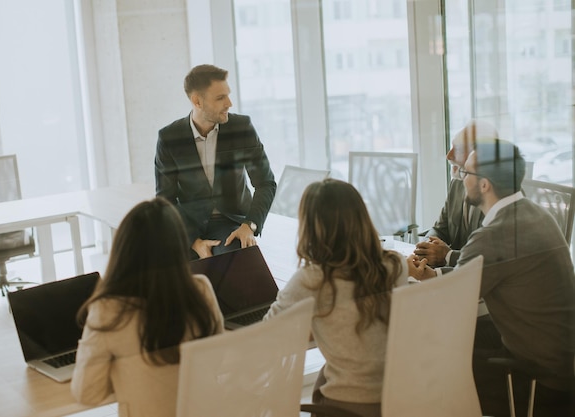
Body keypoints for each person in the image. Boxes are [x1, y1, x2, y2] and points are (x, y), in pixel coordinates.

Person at [408, 139, 575, 416]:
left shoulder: (493, 234)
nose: (460, 179)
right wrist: (435, 273)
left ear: (484, 184)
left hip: (540, 381)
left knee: (429, 360)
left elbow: (448, 303)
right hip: (561, 362)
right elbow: (477, 272)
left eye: (466, 173)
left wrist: (417, 276)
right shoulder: (536, 215)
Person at [264, 178, 408, 417]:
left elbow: (268, 335)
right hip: (398, 396)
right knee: (325, 373)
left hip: (350, 405)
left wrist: (313, 321)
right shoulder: (395, 264)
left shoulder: (311, 280)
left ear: (311, 229)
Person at [71, 197, 224, 416]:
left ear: (123, 250)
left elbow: (87, 393)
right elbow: (216, 361)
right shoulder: (200, 291)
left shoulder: (109, 310)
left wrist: (127, 375)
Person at [155, 64, 276, 259]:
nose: (229, 103)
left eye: (228, 95)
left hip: (231, 222)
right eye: (220, 98)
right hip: (189, 224)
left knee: (236, 258)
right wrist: (193, 242)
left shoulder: (241, 128)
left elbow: (265, 183)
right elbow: (164, 200)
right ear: (197, 101)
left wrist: (249, 226)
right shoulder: (169, 138)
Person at [414, 120, 497, 267]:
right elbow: (440, 228)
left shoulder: (496, 194)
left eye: (457, 149)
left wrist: (447, 256)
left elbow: (489, 258)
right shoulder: (457, 183)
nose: (448, 155)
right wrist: (427, 247)